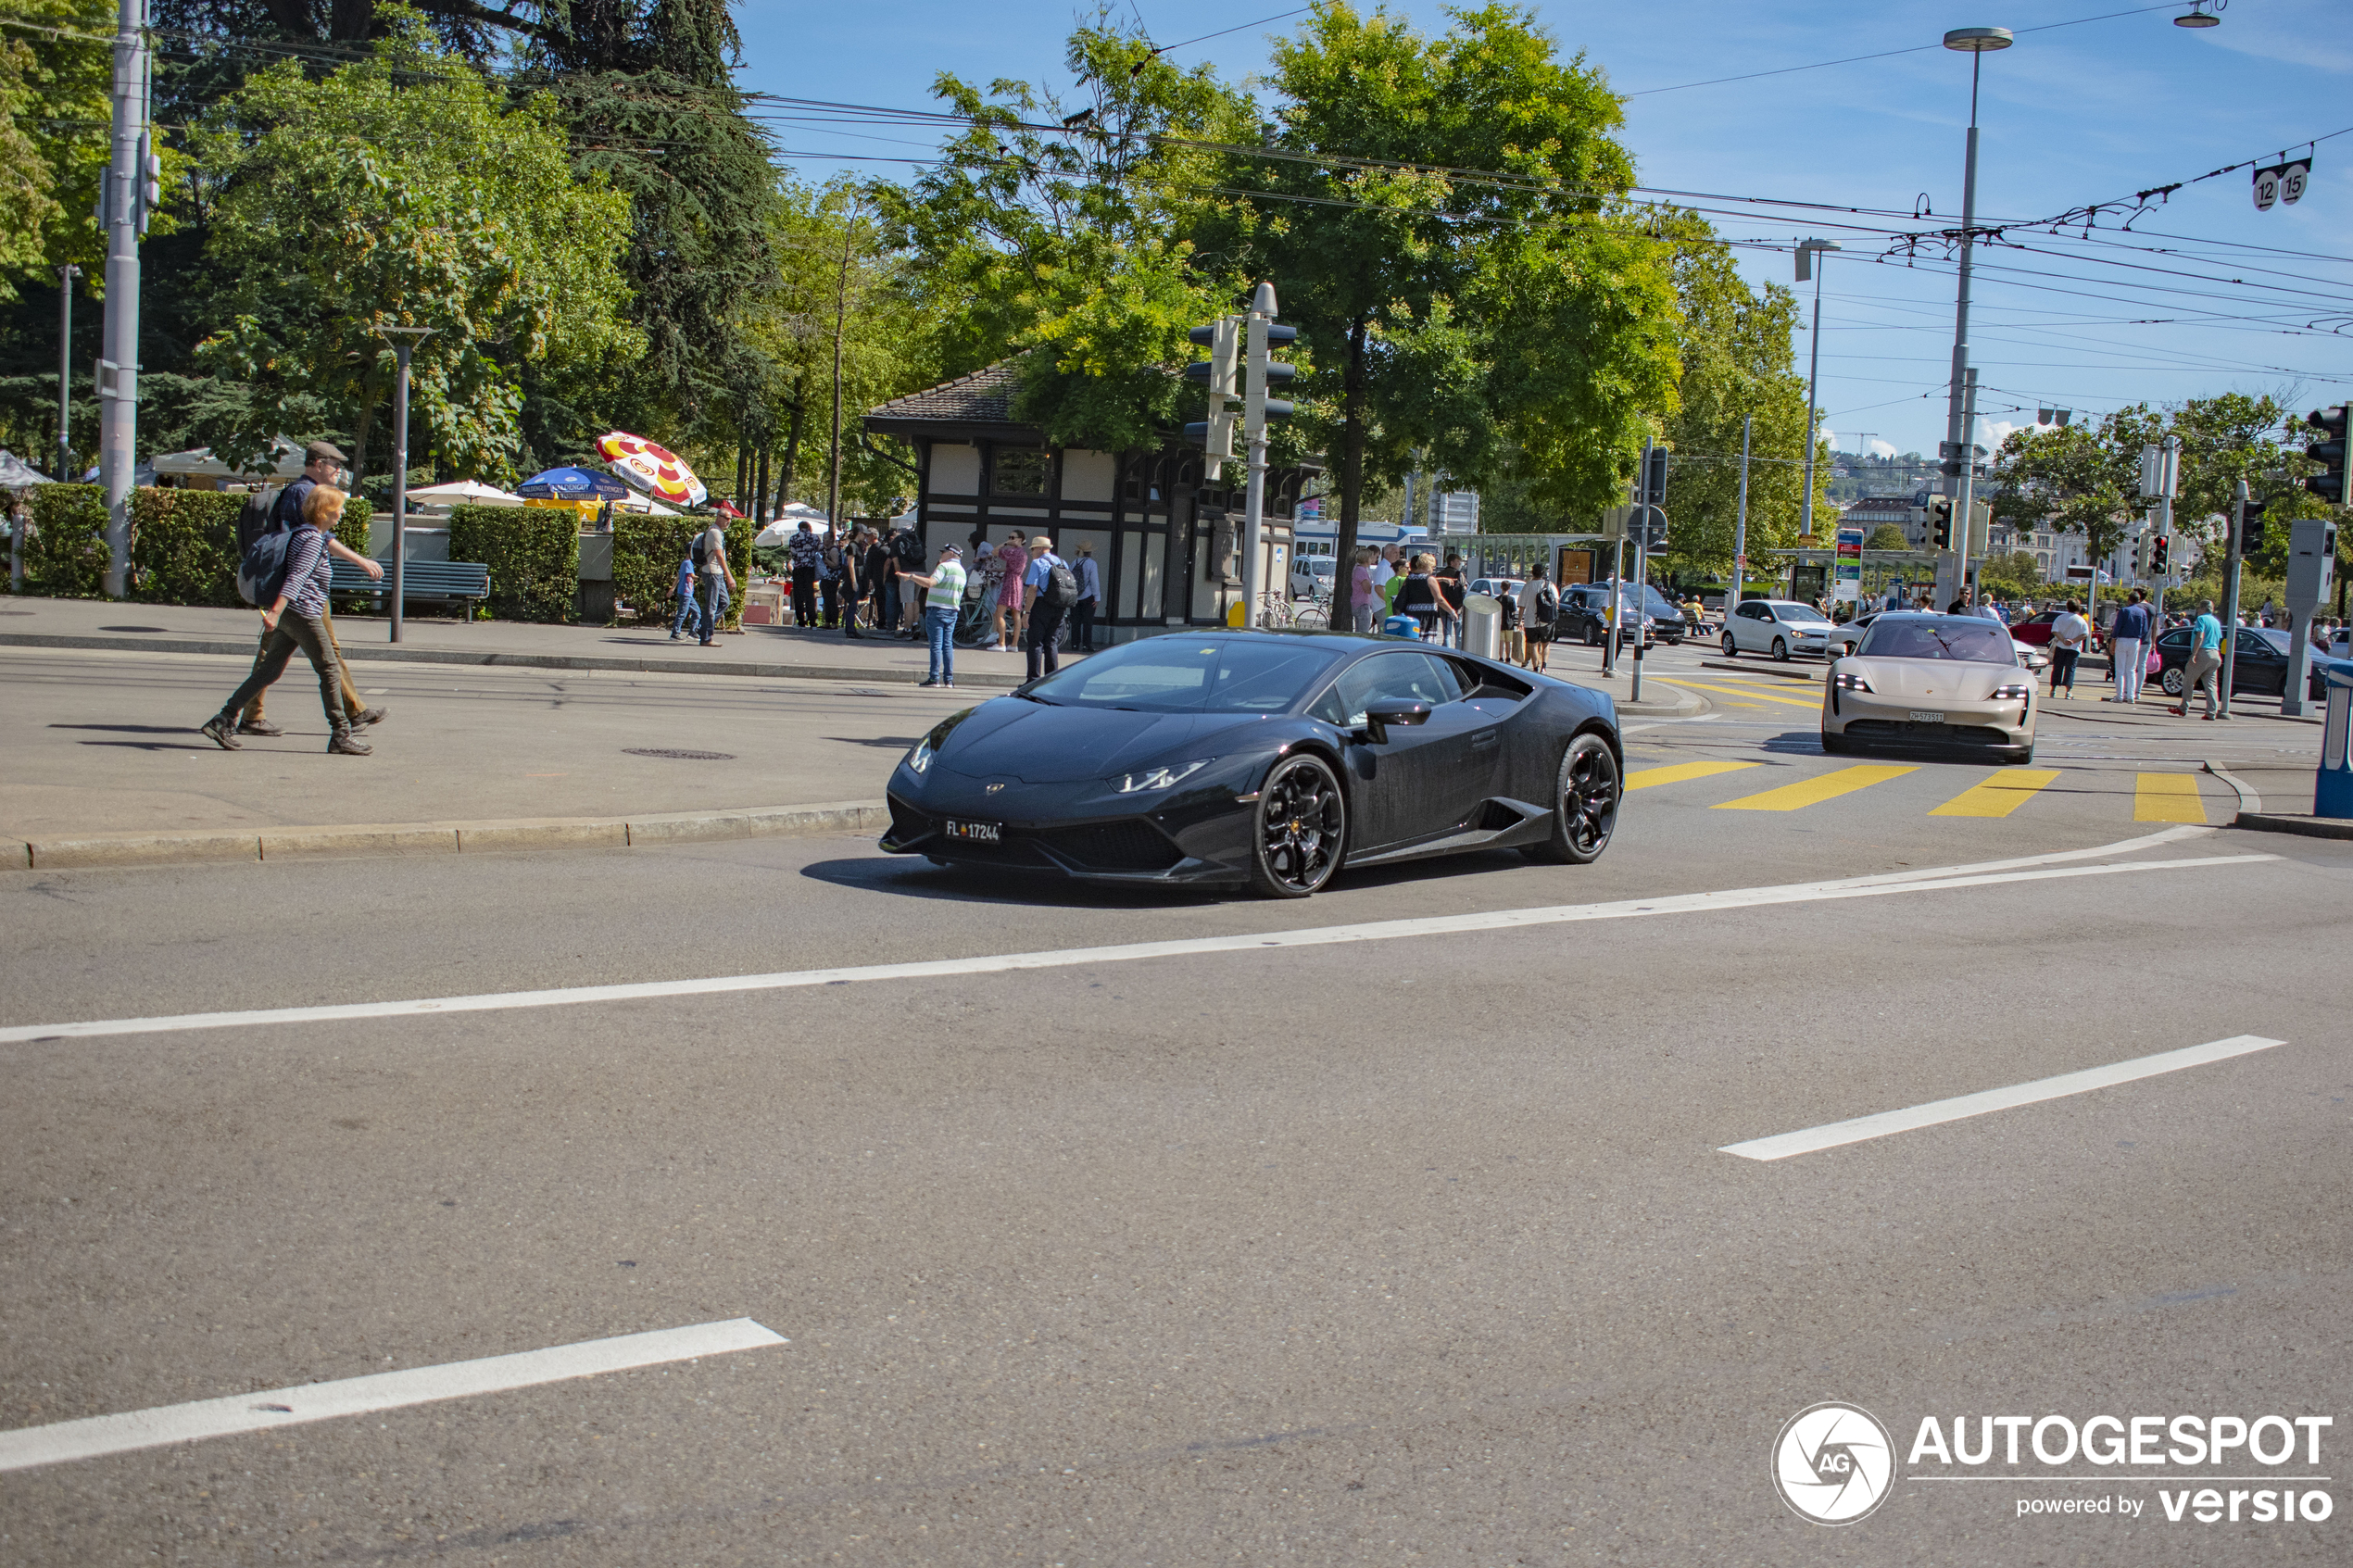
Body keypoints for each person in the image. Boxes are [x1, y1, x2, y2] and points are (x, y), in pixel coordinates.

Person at [202, 485, 371, 756]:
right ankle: (340, 733)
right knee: (329, 669)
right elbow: (296, 577)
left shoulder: (304, 535)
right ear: (324, 511)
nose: (342, 511)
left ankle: (223, 719)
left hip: (296, 612)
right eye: (338, 507)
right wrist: (276, 611)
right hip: (303, 612)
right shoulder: (313, 540)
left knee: (270, 670)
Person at [236, 441, 385, 737]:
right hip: (297, 591)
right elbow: (314, 539)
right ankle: (347, 718)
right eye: (335, 466)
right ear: (318, 464)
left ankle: (352, 711)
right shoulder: (302, 493)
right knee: (302, 657)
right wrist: (359, 560)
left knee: (292, 656)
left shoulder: (308, 492)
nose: (338, 472)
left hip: (303, 590)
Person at [907, 543, 965, 687]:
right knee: (947, 645)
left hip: (936, 609)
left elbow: (931, 583)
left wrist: (912, 577)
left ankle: (934, 678)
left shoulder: (944, 567)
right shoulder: (961, 571)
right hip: (952, 610)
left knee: (936, 645)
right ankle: (949, 679)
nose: (941, 555)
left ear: (951, 554)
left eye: (943, 552)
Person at [1022, 534, 1073, 681]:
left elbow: (1033, 588)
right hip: (1059, 606)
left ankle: (1033, 680)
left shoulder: (1037, 563)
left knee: (1036, 643)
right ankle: (1051, 679)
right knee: (1051, 642)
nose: (1031, 552)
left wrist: (1027, 612)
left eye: (1032, 549)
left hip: (1041, 605)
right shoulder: (1062, 562)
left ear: (1039, 549)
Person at [2172, 598, 2224, 719]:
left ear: (2202, 608)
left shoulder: (2201, 619)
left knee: (2188, 681)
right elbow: (2219, 638)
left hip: (2203, 652)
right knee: (2211, 685)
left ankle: (2183, 708)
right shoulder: (2216, 621)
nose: (2198, 611)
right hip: (2215, 654)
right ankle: (2211, 712)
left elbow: (2199, 636)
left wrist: (2194, 654)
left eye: (2199, 608)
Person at [2108, 589, 2153, 705]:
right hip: (2136, 641)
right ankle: (2131, 696)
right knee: (2131, 669)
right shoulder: (2142, 612)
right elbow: (2145, 629)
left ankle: (2119, 695)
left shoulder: (2124, 611)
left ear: (2129, 599)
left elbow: (2117, 627)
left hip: (2122, 640)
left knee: (2120, 669)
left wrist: (2113, 640)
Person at [696, 512, 735, 646]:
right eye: (726, 518)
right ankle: (706, 638)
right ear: (719, 517)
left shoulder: (717, 532)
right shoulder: (715, 533)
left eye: (730, 519)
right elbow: (719, 555)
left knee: (724, 602)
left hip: (716, 573)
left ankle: (703, 629)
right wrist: (729, 576)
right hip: (712, 572)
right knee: (711, 607)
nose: (729, 521)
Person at [1393, 554, 1449, 641]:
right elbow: (1440, 599)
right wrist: (1452, 612)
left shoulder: (1409, 579)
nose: (1433, 568)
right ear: (1427, 565)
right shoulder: (1430, 580)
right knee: (1426, 646)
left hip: (1411, 617)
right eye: (1433, 566)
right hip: (1426, 618)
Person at [993, 531, 1029, 654]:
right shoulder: (1023, 553)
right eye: (1009, 537)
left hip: (1009, 583)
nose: (1010, 539)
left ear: (1020, 539)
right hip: (1018, 583)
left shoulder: (1012, 551)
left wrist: (1004, 543)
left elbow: (994, 551)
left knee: (999, 613)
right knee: (1016, 614)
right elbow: (1013, 567)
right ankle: (1014, 644)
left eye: (1012, 537)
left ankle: (1001, 643)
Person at [889, 523, 927, 638]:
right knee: (915, 599)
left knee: (908, 601)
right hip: (921, 570)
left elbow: (896, 563)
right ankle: (916, 626)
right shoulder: (916, 539)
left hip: (907, 572)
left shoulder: (896, 542)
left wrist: (900, 577)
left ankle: (907, 629)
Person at [1518, 567, 1557, 673]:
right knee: (1546, 644)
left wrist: (1519, 621)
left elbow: (1521, 606)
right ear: (1543, 573)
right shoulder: (1550, 585)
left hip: (1530, 621)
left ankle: (1535, 668)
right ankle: (1544, 667)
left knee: (1533, 645)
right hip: (1546, 621)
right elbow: (1556, 602)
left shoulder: (1527, 586)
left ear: (1532, 573)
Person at [2048, 598, 2089, 697]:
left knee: (2057, 668)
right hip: (2074, 648)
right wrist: (2073, 641)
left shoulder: (2060, 618)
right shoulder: (2081, 620)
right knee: (2070, 669)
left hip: (2060, 647)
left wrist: (2063, 640)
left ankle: (2053, 690)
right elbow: (2085, 634)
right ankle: (2068, 691)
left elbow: (2054, 631)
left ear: (2067, 607)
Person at [786, 520, 822, 627]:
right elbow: (820, 550)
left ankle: (801, 621)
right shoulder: (815, 538)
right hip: (810, 568)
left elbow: (792, 553)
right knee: (809, 594)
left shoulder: (793, 538)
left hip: (798, 568)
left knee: (798, 595)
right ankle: (812, 621)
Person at [1071, 540, 1101, 650]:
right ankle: (1086, 644)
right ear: (1090, 553)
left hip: (1075, 596)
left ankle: (1074, 644)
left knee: (1075, 621)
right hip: (1088, 596)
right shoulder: (1092, 563)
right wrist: (1097, 597)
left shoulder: (1075, 562)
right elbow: (1094, 581)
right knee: (1087, 622)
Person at [839, 527, 867, 639]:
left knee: (853, 604)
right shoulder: (852, 546)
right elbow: (850, 564)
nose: (865, 536)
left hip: (860, 576)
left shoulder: (859, 546)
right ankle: (850, 629)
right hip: (854, 577)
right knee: (852, 604)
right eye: (864, 534)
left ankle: (851, 628)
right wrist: (853, 581)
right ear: (859, 533)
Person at [668, 549, 699, 640]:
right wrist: (703, 578)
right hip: (685, 592)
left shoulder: (685, 563)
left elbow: (678, 576)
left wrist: (672, 588)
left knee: (697, 612)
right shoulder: (687, 563)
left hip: (688, 593)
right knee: (682, 613)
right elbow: (692, 576)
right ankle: (675, 633)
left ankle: (693, 632)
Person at [1350, 547, 1379, 633]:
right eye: (1370, 557)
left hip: (1358, 603)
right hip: (1362, 605)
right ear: (1366, 559)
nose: (1372, 559)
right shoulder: (1362, 571)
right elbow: (1367, 589)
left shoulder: (1358, 569)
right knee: (1363, 633)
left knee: (1359, 631)